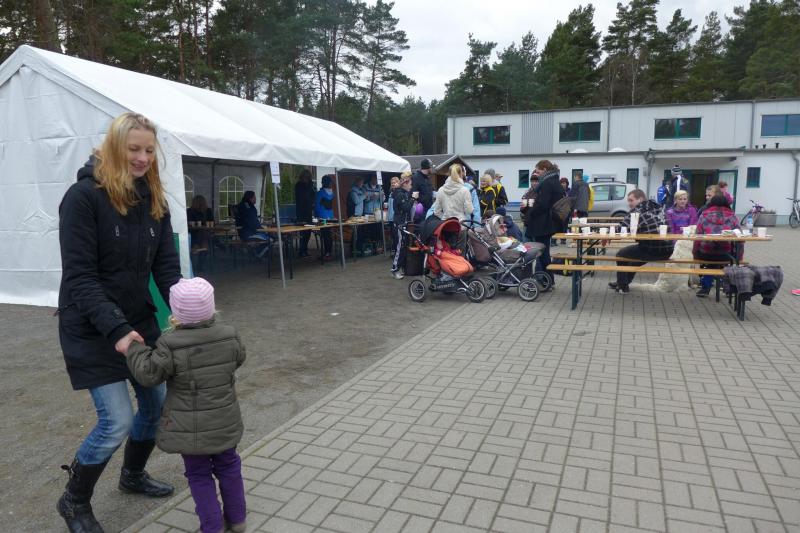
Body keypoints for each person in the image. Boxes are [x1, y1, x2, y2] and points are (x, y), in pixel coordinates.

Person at [56, 113, 182, 533]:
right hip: (91, 326)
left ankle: (132, 475)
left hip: (138, 322)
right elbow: (80, 277)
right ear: (114, 147)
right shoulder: (83, 197)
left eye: (149, 150)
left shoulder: (154, 199)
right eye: (134, 149)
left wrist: (187, 309)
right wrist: (116, 330)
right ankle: (74, 500)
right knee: (116, 420)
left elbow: (166, 268)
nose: (143, 158)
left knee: (156, 405)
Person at [126, 278, 246, 533]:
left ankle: (212, 526)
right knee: (229, 465)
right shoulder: (229, 335)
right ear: (211, 308)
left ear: (176, 313)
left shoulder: (170, 344)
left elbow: (149, 374)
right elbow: (239, 358)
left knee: (199, 474)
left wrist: (134, 349)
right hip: (225, 420)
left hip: (189, 429)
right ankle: (237, 519)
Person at [608, 189, 674, 294]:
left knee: (620, 255)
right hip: (668, 250)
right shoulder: (659, 208)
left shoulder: (637, 211)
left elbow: (622, 228)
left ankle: (622, 286)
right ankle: (622, 281)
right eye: (628, 201)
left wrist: (606, 233)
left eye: (631, 200)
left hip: (651, 249)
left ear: (640, 199)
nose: (629, 203)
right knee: (634, 261)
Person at [693, 193, 742, 298]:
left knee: (711, 264)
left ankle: (705, 287)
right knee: (727, 263)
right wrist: (739, 257)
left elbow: (697, 236)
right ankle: (728, 289)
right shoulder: (732, 216)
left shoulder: (704, 214)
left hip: (706, 253)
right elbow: (740, 236)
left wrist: (695, 253)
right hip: (726, 254)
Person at [525, 160, 564, 274]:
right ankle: (546, 277)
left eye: (538, 171)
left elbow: (543, 204)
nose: (537, 174)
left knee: (543, 254)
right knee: (544, 252)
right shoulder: (555, 180)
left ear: (545, 169)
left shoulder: (547, 183)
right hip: (549, 222)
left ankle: (547, 278)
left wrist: (531, 212)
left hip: (543, 223)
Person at [391, 174, 414, 279]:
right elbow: (406, 208)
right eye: (410, 184)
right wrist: (413, 199)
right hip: (399, 224)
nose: (411, 186)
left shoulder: (403, 193)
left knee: (403, 247)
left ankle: (401, 268)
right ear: (405, 184)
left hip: (403, 223)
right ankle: (394, 269)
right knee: (400, 247)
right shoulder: (400, 194)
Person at [235, 191, 270, 257]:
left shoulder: (244, 205)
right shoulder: (247, 208)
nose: (255, 199)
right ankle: (258, 254)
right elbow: (253, 222)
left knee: (268, 236)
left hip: (244, 233)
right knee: (270, 238)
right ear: (250, 198)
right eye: (254, 197)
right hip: (249, 234)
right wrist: (263, 230)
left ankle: (256, 251)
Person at [294, 169, 316, 257]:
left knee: (308, 232)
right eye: (305, 177)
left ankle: (305, 249)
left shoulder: (311, 185)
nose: (306, 179)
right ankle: (301, 250)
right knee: (303, 232)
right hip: (301, 212)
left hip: (308, 212)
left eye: (307, 178)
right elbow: (302, 197)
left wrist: (312, 203)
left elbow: (313, 196)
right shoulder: (298, 185)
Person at [315, 175, 335, 261]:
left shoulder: (320, 193)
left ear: (323, 183)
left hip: (322, 218)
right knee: (329, 235)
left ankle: (327, 254)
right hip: (331, 217)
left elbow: (317, 206)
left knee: (325, 235)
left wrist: (316, 216)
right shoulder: (333, 193)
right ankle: (329, 252)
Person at [520, 174, 539, 239]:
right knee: (526, 242)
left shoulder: (541, 192)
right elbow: (522, 209)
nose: (534, 183)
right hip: (528, 221)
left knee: (536, 242)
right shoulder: (527, 193)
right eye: (532, 181)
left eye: (536, 181)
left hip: (537, 222)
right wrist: (525, 205)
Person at [387, 175, 402, 253]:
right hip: (390, 218)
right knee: (393, 235)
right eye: (392, 183)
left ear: (398, 183)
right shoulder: (391, 193)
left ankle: (397, 251)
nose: (393, 184)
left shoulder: (399, 193)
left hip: (395, 218)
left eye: (394, 182)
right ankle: (394, 250)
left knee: (396, 236)